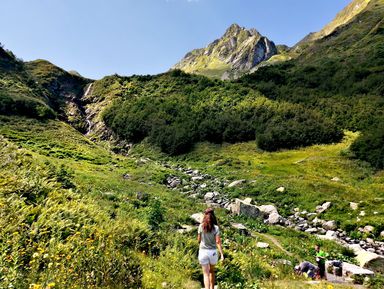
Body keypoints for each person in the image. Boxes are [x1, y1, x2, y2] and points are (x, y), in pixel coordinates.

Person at [197, 208, 224, 289]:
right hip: (213, 252)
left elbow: (199, 240)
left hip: (203, 251)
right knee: (212, 271)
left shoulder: (201, 226)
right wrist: (222, 254)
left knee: (205, 274)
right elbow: (218, 242)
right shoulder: (216, 228)